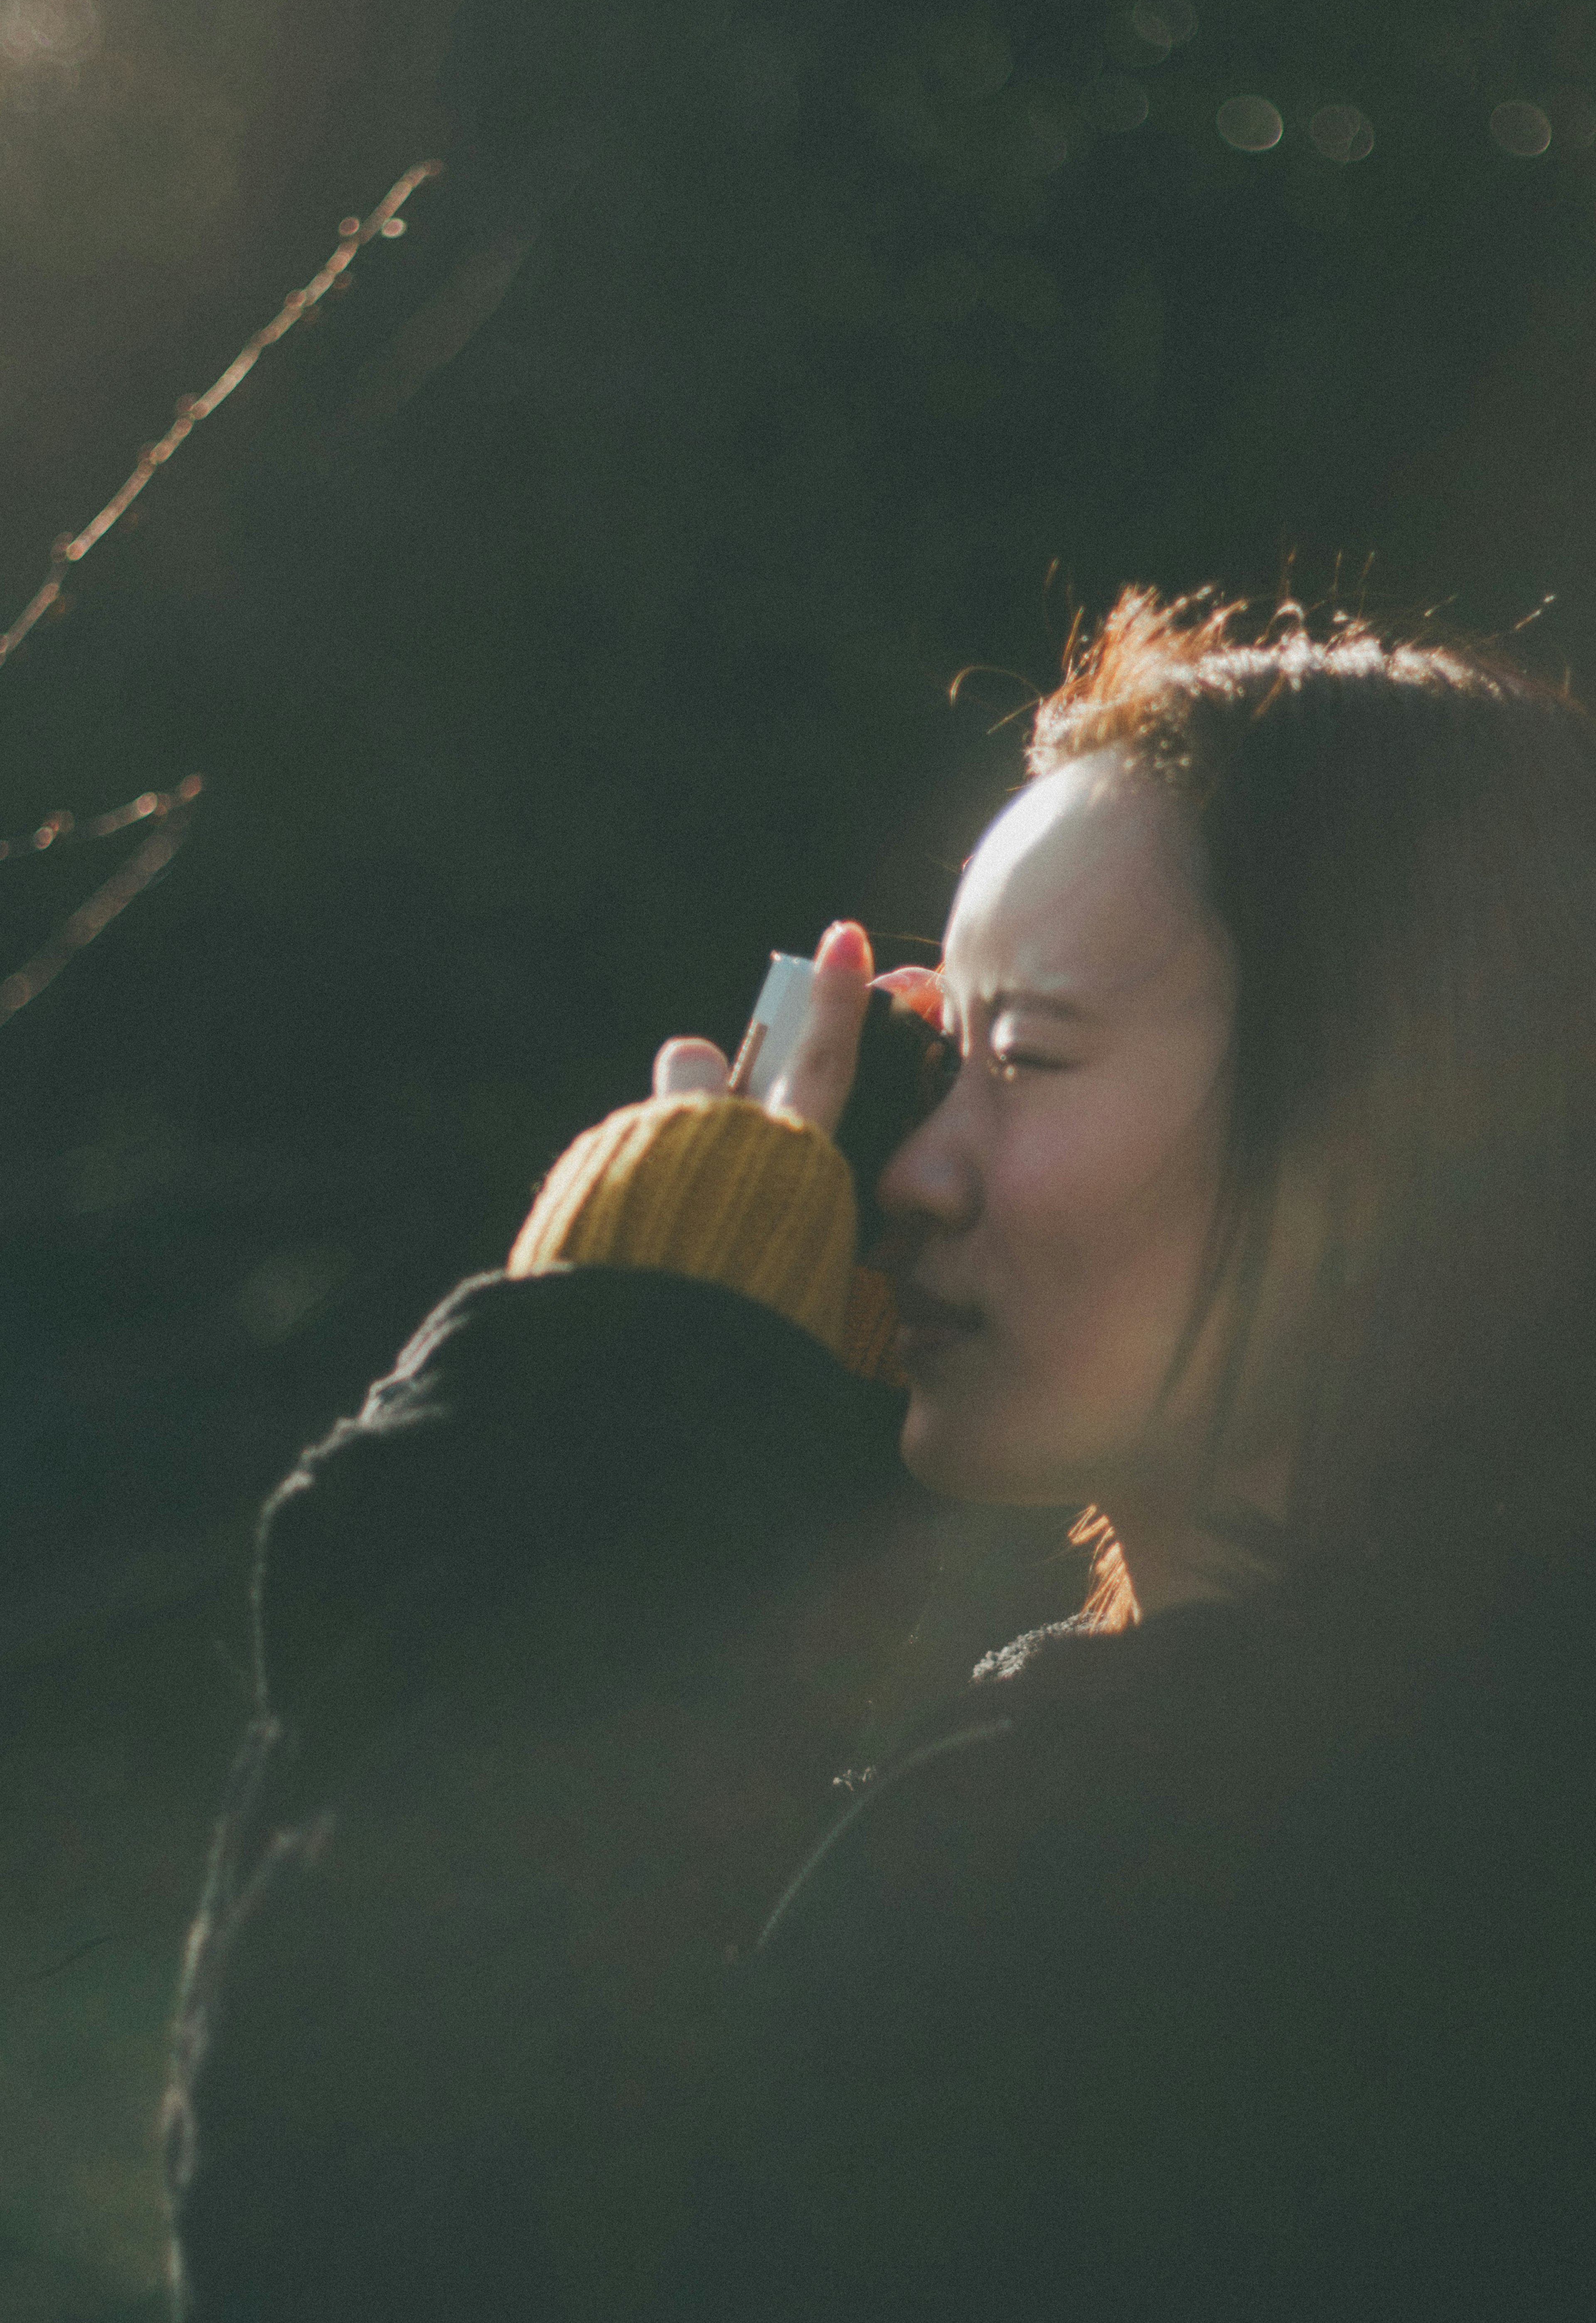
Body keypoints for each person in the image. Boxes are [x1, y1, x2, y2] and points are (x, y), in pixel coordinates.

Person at [162, 589, 1596, 2320]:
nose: (907, 1173)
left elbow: (365, 2246)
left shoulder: (1166, 1901)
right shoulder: (1458, 1776)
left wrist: (610, 1437)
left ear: (1395, 1115)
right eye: (938, 1058)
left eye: (1025, 1058)